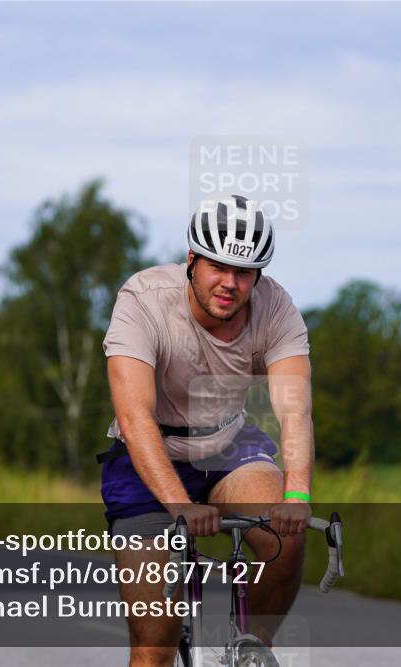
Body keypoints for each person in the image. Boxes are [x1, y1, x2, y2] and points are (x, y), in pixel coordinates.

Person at [99, 194, 314, 666]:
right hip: (147, 456)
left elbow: (294, 410)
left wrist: (297, 495)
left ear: (258, 276)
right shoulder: (143, 301)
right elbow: (135, 418)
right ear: (192, 261)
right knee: (154, 643)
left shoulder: (276, 308)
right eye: (218, 268)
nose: (230, 285)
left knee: (286, 537)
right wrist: (179, 505)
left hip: (227, 445)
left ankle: (254, 649)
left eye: (244, 273)